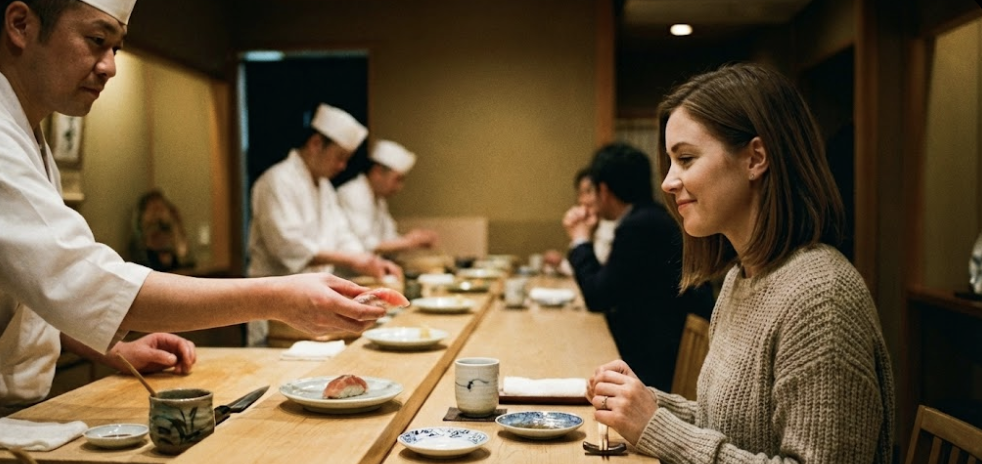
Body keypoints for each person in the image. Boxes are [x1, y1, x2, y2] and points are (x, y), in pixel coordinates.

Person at [0, 0, 387, 414]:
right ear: (21, 25)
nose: (110, 66)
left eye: (116, 49)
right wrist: (278, 296)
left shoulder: (29, 140)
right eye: (97, 41)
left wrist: (117, 349)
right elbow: (80, 277)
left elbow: (42, 289)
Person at [586, 63, 895, 462]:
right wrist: (643, 403)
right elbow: (732, 427)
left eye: (686, 158)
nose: (668, 181)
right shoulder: (741, 277)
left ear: (755, 158)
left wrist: (655, 426)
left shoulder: (822, 298)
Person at [246, 103, 401, 345]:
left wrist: (369, 261)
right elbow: (288, 247)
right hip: (275, 309)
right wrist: (352, 260)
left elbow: (343, 235)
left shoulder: (326, 188)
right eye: (340, 157)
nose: (342, 166)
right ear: (316, 144)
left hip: (316, 305)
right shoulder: (277, 181)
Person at [564, 142, 714, 390]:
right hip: (656, 347)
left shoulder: (638, 227)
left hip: (652, 362)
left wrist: (580, 240)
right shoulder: (650, 216)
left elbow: (598, 296)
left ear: (604, 190)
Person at [337, 139, 438, 255]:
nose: (399, 187)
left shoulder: (379, 200)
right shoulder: (353, 193)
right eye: (397, 179)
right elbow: (367, 244)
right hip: (347, 272)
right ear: (377, 172)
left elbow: (389, 238)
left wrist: (413, 239)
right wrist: (409, 241)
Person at [542, 167, 616, 274]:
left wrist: (580, 238)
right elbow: (582, 269)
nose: (583, 200)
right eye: (580, 193)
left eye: (589, 191)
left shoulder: (612, 228)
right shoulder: (592, 224)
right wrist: (560, 262)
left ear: (603, 192)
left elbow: (595, 274)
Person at [129, 189, 195, 272]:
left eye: (161, 208)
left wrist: (175, 226)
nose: (157, 214)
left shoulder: (173, 237)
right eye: (153, 209)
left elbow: (187, 262)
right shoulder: (138, 245)